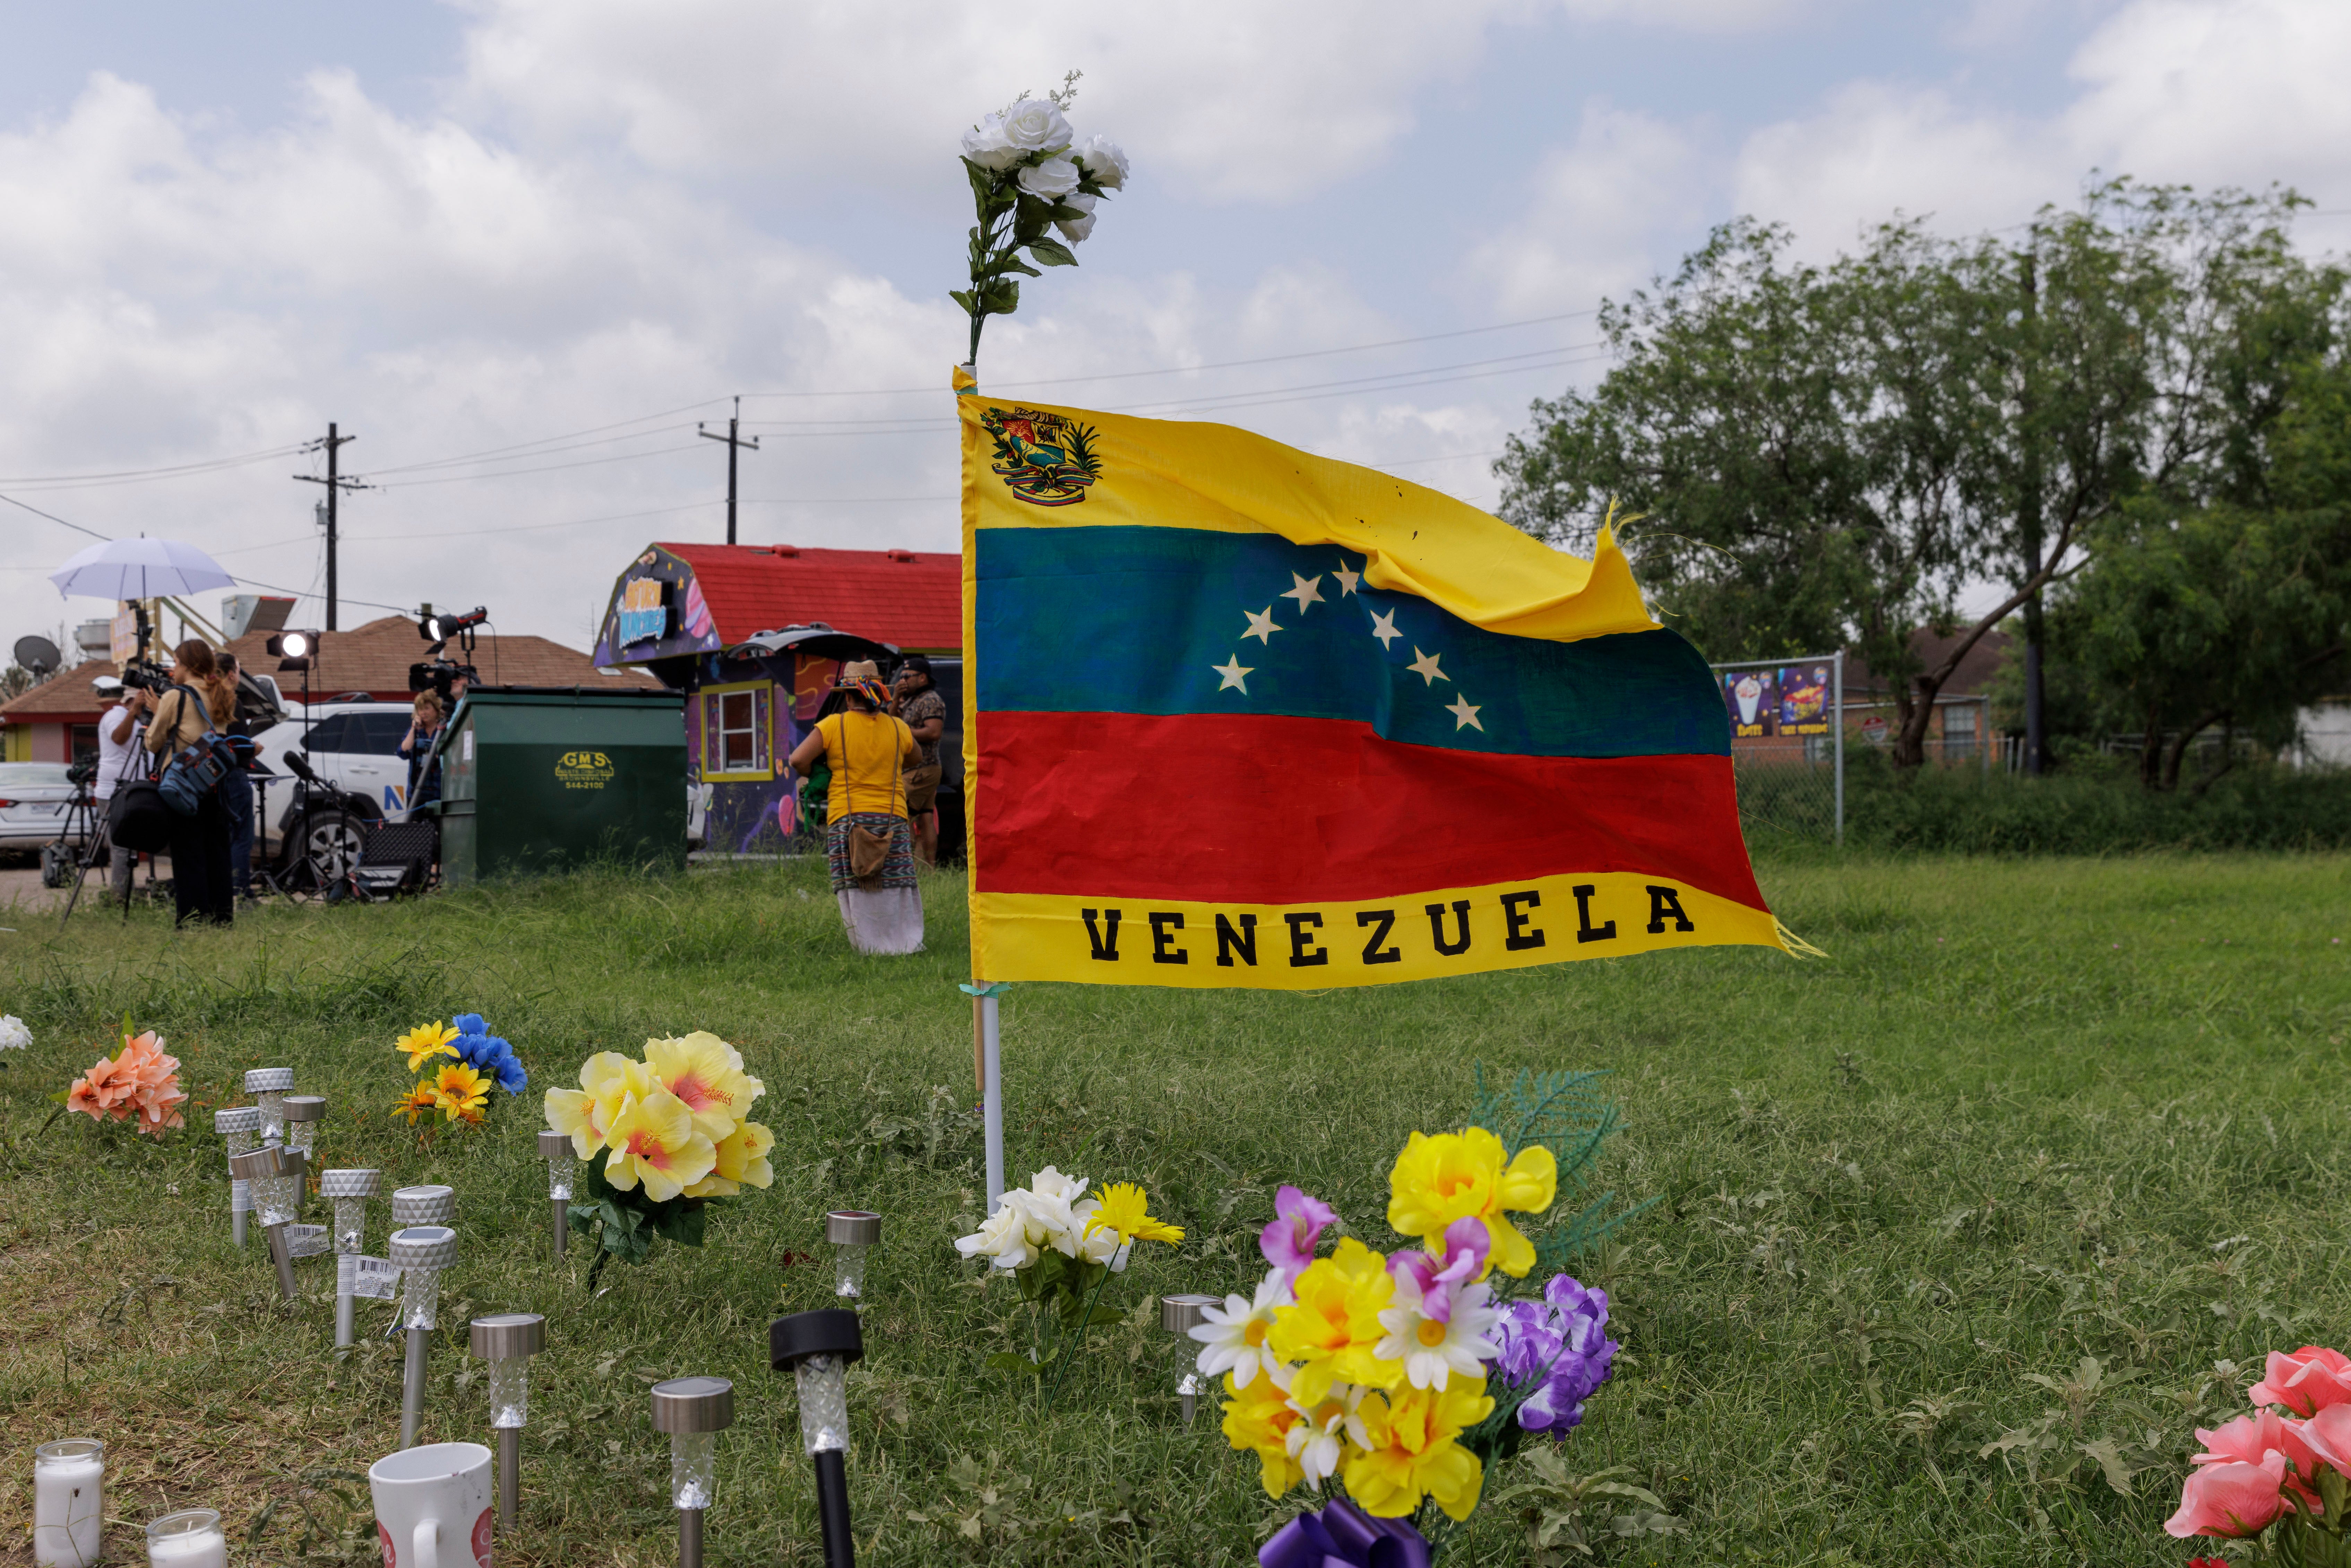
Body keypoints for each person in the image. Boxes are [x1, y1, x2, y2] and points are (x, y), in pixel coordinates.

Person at [788, 671, 922, 955]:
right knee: (895, 882)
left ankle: (869, 945)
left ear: (849, 697)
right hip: (892, 816)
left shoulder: (834, 725)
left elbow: (798, 759)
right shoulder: (898, 727)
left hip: (847, 817)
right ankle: (904, 943)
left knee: (857, 884)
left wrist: (819, 772)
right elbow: (916, 757)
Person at [141, 640, 237, 928]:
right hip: (215, 784)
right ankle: (222, 918)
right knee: (218, 853)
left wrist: (156, 715)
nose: (174, 669)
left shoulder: (175, 696)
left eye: (176, 663)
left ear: (187, 665)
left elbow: (153, 742)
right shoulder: (222, 693)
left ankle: (193, 920)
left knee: (188, 853)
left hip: (185, 788)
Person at [92, 677, 145, 902]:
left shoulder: (124, 716)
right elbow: (119, 738)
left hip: (124, 789)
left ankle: (126, 893)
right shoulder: (116, 715)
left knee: (126, 845)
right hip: (116, 790)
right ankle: (120, 896)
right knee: (122, 845)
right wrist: (133, 712)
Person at [893, 655, 948, 865]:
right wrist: (896, 698)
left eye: (908, 676)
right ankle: (928, 868)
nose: (903, 680)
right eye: (902, 676)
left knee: (900, 813)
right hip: (915, 769)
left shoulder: (931, 700)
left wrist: (905, 732)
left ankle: (904, 864)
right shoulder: (911, 700)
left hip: (923, 768)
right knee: (925, 817)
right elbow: (892, 722)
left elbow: (934, 732)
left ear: (923, 678)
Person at [214, 652, 258, 901]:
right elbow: (239, 744)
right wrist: (254, 749)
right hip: (235, 775)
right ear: (232, 674)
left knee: (224, 836)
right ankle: (240, 890)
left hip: (214, 777)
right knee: (242, 836)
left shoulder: (206, 700)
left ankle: (222, 888)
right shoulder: (233, 701)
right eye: (239, 670)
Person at [398, 692, 446, 817]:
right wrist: (414, 728)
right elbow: (403, 751)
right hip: (417, 792)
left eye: (427, 708)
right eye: (420, 709)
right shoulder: (417, 731)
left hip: (439, 792)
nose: (423, 712)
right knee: (416, 832)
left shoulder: (445, 729)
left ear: (437, 709)